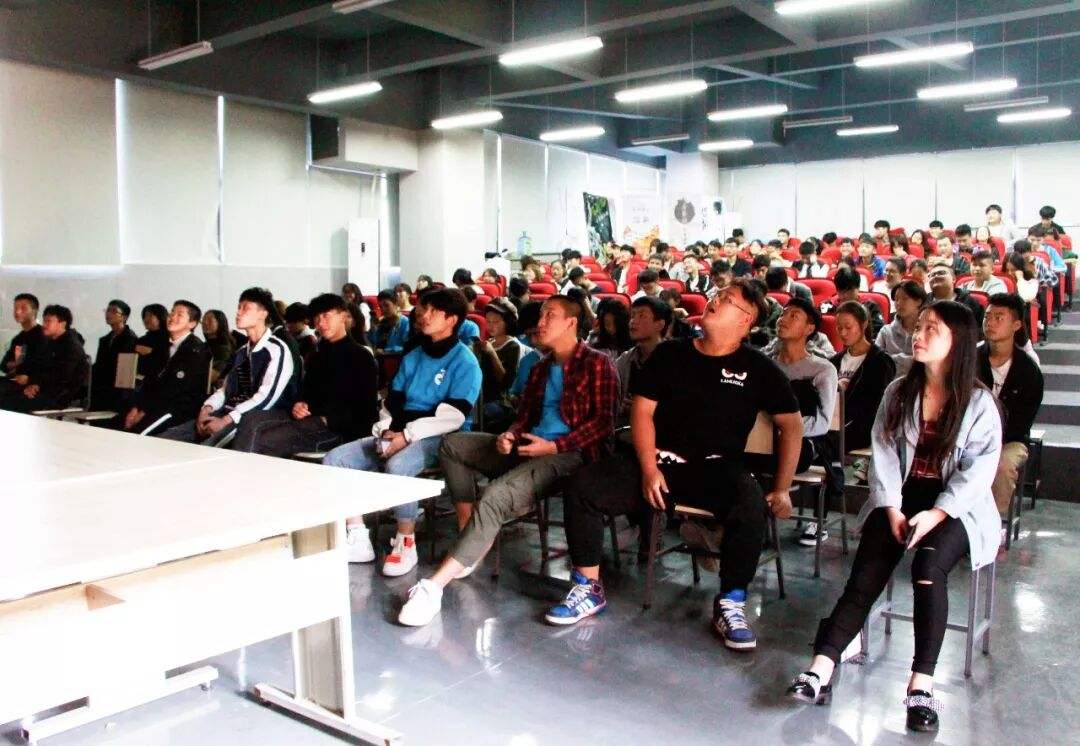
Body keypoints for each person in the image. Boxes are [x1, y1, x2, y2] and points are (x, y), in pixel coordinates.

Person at [786, 300, 1002, 736]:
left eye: (931, 329)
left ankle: (921, 687)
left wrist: (937, 513)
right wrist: (891, 507)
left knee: (928, 567)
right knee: (866, 573)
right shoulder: (900, 391)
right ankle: (821, 667)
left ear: (958, 341)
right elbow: (883, 453)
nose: (917, 335)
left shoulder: (980, 403)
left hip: (957, 506)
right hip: (900, 496)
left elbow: (978, 473)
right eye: (919, 326)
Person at [546, 280, 802, 645]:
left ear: (746, 320)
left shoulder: (758, 368)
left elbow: (791, 426)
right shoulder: (670, 354)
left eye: (726, 300)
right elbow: (642, 412)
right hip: (658, 462)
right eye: (716, 295)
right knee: (584, 486)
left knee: (750, 505)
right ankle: (588, 586)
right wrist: (649, 468)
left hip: (716, 469)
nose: (714, 300)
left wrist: (782, 488)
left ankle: (731, 601)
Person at [397, 295, 617, 626]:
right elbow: (523, 417)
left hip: (571, 455)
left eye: (550, 315)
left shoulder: (597, 364)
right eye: (540, 315)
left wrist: (554, 446)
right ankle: (471, 533)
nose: (540, 322)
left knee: (495, 496)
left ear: (571, 322)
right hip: (528, 447)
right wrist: (510, 435)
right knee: (453, 444)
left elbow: (603, 425)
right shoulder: (540, 368)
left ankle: (434, 586)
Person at [324, 288, 482, 574]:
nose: (424, 316)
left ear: (452, 320)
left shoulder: (465, 361)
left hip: (441, 437)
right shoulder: (414, 355)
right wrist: (387, 430)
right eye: (424, 309)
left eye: (433, 311)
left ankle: (405, 541)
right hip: (399, 430)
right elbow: (393, 402)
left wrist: (406, 435)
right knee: (335, 460)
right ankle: (357, 535)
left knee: (398, 466)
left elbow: (453, 417)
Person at [232, 293, 379, 458]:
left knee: (265, 439)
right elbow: (304, 391)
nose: (321, 323)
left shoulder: (361, 357)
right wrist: (299, 403)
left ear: (344, 316)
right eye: (316, 318)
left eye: (326, 316)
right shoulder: (318, 356)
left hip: (337, 430)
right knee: (250, 419)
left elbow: (366, 410)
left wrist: (330, 420)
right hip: (308, 418)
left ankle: (245, 471)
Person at [160, 288, 294, 445]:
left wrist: (227, 419)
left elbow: (266, 398)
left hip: (252, 418)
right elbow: (226, 390)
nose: (238, 313)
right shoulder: (242, 352)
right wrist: (207, 409)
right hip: (226, 412)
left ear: (263, 314)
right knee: (166, 440)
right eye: (238, 307)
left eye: (245, 308)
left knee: (204, 450)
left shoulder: (276, 349)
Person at [771, 298, 844, 547]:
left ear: (809, 328)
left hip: (805, 442)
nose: (783, 318)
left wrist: (785, 432)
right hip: (762, 441)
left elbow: (822, 423)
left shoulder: (822, 369)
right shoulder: (765, 365)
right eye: (783, 313)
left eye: (794, 315)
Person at [978, 293, 1043, 515]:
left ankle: (993, 523)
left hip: (1009, 441)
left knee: (1001, 465)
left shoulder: (1029, 371)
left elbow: (1021, 423)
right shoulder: (971, 359)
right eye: (987, 317)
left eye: (999, 318)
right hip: (968, 437)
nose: (990, 322)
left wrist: (989, 442)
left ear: (1016, 325)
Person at [120, 301, 212, 435]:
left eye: (179, 315)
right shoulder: (162, 346)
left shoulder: (196, 350)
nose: (172, 317)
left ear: (192, 323)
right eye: (172, 312)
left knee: (137, 433)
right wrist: (136, 408)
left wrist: (144, 411)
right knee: (116, 425)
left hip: (178, 408)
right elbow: (150, 380)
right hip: (154, 404)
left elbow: (175, 389)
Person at [832, 301, 896, 482]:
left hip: (862, 427)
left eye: (848, 327)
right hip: (835, 423)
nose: (843, 333)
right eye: (839, 327)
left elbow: (877, 407)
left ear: (864, 324)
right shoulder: (834, 362)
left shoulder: (880, 361)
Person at [0, 304, 89, 413]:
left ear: (62, 324)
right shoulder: (50, 342)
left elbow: (62, 376)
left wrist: (34, 384)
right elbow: (39, 366)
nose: (44, 325)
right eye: (44, 321)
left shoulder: (71, 346)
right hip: (43, 389)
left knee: (9, 401)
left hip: (60, 395)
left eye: (48, 321)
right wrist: (32, 382)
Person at [614, 297, 671, 427]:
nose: (633, 321)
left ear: (659, 325)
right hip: (627, 427)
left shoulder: (677, 360)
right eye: (632, 315)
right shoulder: (626, 360)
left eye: (642, 316)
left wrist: (646, 409)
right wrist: (620, 405)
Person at [476, 298, 524, 434]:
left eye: (496, 322)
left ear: (507, 322)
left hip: (501, 401)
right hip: (481, 397)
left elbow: (506, 383)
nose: (491, 326)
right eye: (488, 321)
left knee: (482, 413)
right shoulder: (489, 343)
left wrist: (492, 354)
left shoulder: (513, 346)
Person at [876, 280, 927, 377]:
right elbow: (876, 361)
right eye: (896, 299)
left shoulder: (927, 332)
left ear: (919, 301)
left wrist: (894, 360)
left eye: (905, 298)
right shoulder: (886, 331)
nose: (899, 303)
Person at [820, 266, 884, 339]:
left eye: (850, 291)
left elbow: (879, 333)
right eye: (841, 291)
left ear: (858, 288)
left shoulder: (870, 306)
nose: (845, 295)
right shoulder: (827, 306)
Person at [1, 293, 45, 387]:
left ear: (34, 311)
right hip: (15, 381)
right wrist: (15, 364)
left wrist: (18, 367)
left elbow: (40, 365)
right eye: (15, 308)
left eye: (23, 308)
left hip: (34, 384)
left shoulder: (43, 335)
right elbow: (3, 365)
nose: (17, 312)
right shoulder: (18, 338)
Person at [927, 264, 984, 333]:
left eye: (941, 273)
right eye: (932, 275)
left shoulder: (970, 302)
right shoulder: (924, 301)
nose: (936, 276)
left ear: (953, 279)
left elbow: (981, 329)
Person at [134, 303, 170, 382]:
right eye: (145, 316)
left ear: (161, 317)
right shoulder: (142, 340)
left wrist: (152, 352)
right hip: (140, 383)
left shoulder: (169, 339)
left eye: (150, 316)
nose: (146, 319)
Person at [201, 309, 236, 383]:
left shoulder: (223, 348)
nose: (205, 322)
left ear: (220, 323)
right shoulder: (203, 345)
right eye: (204, 319)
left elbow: (211, 377)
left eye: (210, 320)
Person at [372, 289, 410, 354]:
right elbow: (373, 344)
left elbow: (408, 347)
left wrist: (386, 351)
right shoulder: (382, 323)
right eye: (381, 307)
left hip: (396, 358)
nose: (383, 309)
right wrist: (373, 329)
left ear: (396, 303)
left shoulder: (405, 322)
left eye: (387, 305)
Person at [284, 302, 319, 367]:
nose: (289, 325)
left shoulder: (310, 340)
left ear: (304, 321)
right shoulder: (287, 335)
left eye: (294, 322)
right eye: (287, 321)